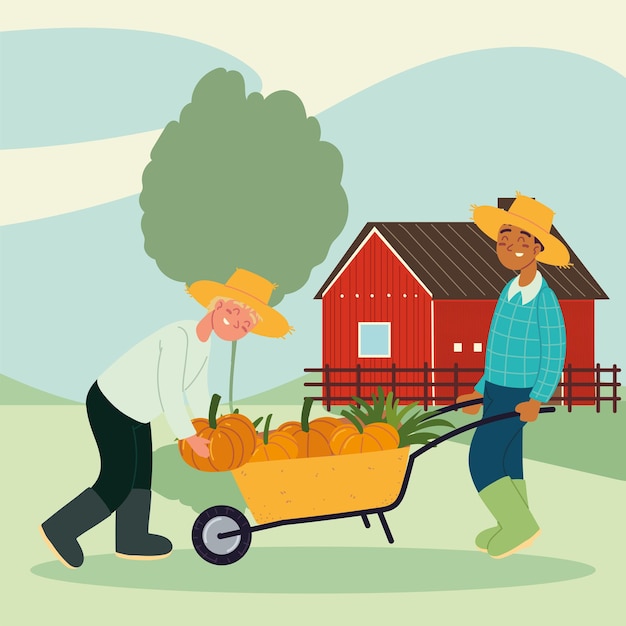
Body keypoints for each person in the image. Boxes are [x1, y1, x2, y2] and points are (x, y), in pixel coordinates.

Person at [39, 268, 292, 569]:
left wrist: (209, 426)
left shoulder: (203, 345)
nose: (238, 324)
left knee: (141, 475)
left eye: (246, 325)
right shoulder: (179, 336)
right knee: (117, 480)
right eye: (236, 313)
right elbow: (170, 390)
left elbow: (197, 389)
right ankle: (61, 528)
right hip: (110, 404)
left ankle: (131, 537)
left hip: (136, 412)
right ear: (218, 305)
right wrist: (189, 435)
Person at [457, 192, 569, 559]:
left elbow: (554, 352)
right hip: (495, 387)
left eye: (522, 239)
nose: (511, 245)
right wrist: (478, 390)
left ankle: (519, 524)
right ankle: (516, 522)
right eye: (505, 237)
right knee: (508, 457)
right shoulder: (509, 290)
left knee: (483, 458)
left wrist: (538, 397)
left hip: (520, 392)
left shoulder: (544, 298)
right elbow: (496, 350)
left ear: (538, 247)